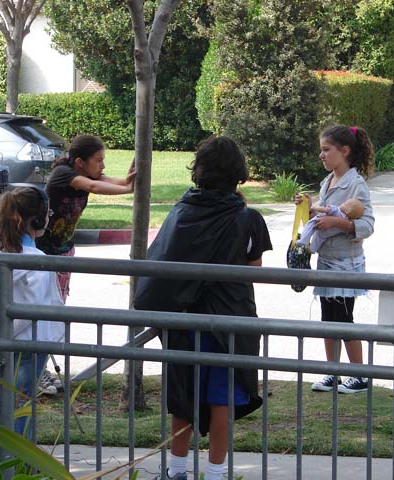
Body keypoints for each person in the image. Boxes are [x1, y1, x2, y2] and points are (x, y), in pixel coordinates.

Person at [135, 136, 272, 480]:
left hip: (185, 320)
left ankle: (176, 470)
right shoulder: (248, 218)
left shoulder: (181, 212)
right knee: (222, 399)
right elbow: (254, 268)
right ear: (238, 173)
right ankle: (215, 473)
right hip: (230, 321)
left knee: (183, 397)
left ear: (199, 170)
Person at [35, 135, 134, 394]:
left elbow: (111, 181)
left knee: (55, 311)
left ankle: (39, 368)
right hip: (44, 254)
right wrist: (128, 190)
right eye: (98, 160)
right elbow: (95, 187)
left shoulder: (85, 173)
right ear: (80, 162)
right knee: (42, 313)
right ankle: (36, 371)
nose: (102, 165)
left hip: (63, 251)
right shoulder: (64, 174)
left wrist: (130, 180)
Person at [295, 125, 375, 395]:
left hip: (346, 263)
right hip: (326, 260)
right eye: (321, 150)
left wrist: (338, 223)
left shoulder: (356, 184)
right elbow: (320, 217)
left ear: (345, 151)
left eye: (326, 150)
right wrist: (307, 207)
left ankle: (359, 375)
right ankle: (333, 371)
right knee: (328, 319)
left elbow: (367, 224)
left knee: (343, 318)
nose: (321, 155)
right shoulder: (327, 182)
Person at [0, 187, 64, 435]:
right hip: (31, 342)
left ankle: (11, 452)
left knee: (12, 398)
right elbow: (32, 308)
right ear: (36, 219)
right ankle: (18, 454)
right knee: (22, 401)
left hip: (5, 342)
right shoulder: (38, 260)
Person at [297, 198, 364, 253]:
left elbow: (324, 210)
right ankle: (312, 249)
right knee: (319, 237)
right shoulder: (347, 219)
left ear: (347, 210)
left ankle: (303, 240)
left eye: (345, 203)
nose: (343, 203)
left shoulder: (337, 210)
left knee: (310, 225)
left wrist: (314, 207)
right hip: (329, 233)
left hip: (320, 221)